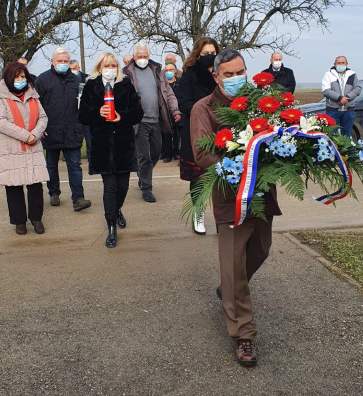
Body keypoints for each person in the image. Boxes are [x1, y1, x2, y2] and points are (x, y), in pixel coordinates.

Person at [190, 49, 282, 366]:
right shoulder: (203, 109)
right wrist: (241, 167)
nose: (236, 78)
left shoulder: (258, 104)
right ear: (216, 76)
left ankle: (228, 288)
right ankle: (244, 335)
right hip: (231, 197)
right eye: (228, 74)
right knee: (234, 265)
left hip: (262, 194)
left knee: (261, 249)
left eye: (240, 71)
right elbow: (203, 155)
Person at [79, 53, 143, 248]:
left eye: (113, 65)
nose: (110, 68)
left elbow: (138, 113)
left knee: (123, 187)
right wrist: (97, 113)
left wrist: (121, 116)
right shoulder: (92, 85)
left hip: (124, 145)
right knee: (110, 187)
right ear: (100, 67)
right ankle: (112, 226)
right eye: (107, 65)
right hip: (103, 146)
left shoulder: (125, 84)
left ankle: (117, 210)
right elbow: (82, 115)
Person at [123, 41, 181, 203]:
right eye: (139, 56)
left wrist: (175, 110)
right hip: (139, 122)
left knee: (156, 152)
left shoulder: (157, 72)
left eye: (145, 56)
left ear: (149, 57)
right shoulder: (128, 73)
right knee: (145, 156)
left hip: (156, 120)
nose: (142, 59)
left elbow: (168, 93)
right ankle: (146, 188)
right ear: (134, 57)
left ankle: (143, 175)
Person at [35, 48, 91, 211]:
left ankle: (78, 198)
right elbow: (37, 106)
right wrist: (40, 127)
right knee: (51, 165)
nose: (63, 64)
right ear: (52, 62)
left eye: (66, 61)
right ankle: (54, 193)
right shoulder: (42, 80)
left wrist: (80, 126)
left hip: (72, 131)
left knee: (74, 165)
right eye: (60, 61)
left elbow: (83, 106)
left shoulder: (76, 81)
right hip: (50, 130)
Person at [177, 37, 220, 235]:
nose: (210, 57)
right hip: (196, 131)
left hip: (221, 130)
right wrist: (203, 112)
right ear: (197, 54)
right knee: (200, 178)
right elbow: (184, 102)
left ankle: (223, 216)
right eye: (205, 54)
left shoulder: (221, 74)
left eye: (213, 53)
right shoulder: (189, 76)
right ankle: (198, 212)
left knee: (224, 175)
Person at [0, 62, 49, 235]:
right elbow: (2, 122)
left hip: (33, 146)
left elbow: (43, 117)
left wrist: (34, 134)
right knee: (14, 186)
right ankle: (19, 221)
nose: (20, 80)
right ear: (8, 77)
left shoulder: (32, 95)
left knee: (35, 185)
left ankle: (36, 218)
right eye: (17, 77)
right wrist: (25, 135)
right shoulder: (2, 96)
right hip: (12, 148)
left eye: (23, 77)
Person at [322, 56, 361, 137]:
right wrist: (339, 98)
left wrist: (347, 97)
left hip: (349, 110)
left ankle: (347, 149)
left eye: (343, 63)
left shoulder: (352, 74)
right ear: (334, 64)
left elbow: (358, 88)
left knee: (347, 135)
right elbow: (326, 90)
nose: (341, 64)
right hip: (333, 111)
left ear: (346, 64)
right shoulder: (328, 74)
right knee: (332, 135)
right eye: (338, 63)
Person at [69, 59, 92, 163]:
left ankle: (92, 160)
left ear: (79, 68)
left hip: (86, 113)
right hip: (74, 114)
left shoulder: (88, 78)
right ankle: (75, 160)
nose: (74, 70)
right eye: (72, 69)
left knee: (90, 140)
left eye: (75, 68)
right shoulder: (67, 80)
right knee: (76, 140)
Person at [161, 62, 181, 162]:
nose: (169, 72)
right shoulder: (162, 85)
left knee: (178, 133)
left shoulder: (180, 83)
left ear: (175, 71)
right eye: (167, 70)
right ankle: (167, 154)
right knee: (166, 134)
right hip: (166, 112)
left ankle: (177, 152)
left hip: (178, 112)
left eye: (171, 70)